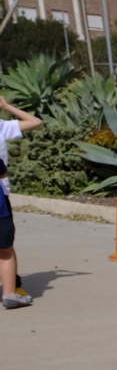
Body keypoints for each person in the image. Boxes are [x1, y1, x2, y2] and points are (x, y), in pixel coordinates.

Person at [0, 94, 43, 310]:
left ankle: (10, 287)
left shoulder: (1, 126)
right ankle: (9, 293)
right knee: (5, 249)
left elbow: (35, 122)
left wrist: (7, 105)